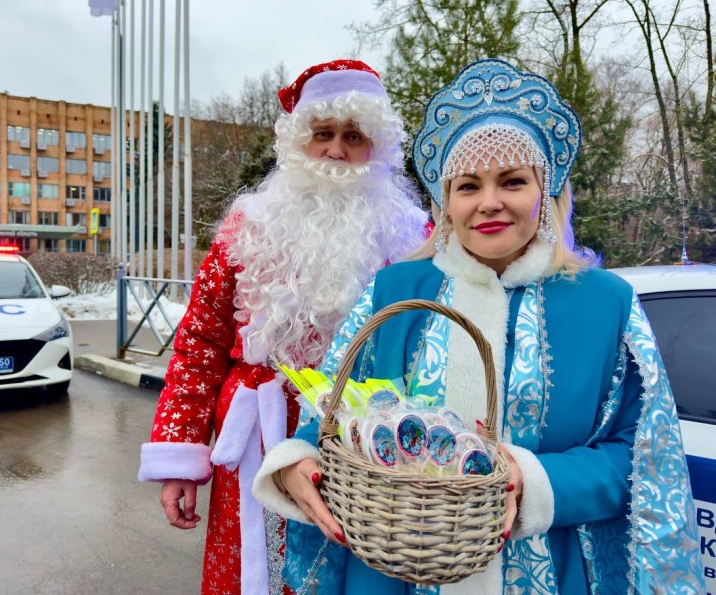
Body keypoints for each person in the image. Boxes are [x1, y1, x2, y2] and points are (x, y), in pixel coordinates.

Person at [253, 58, 704, 594]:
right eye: (468, 186)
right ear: (446, 203)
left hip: (545, 570)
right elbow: (332, 413)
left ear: (547, 190)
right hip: (392, 572)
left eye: (511, 181)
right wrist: (298, 463)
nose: (489, 202)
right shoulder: (394, 291)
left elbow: (641, 457)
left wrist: (536, 480)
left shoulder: (606, 304)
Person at [138, 60, 429, 595]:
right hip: (256, 443)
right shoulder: (247, 228)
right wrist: (179, 457)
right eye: (322, 134)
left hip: (365, 447)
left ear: (378, 148)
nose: (336, 151)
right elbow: (198, 346)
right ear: (299, 141)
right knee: (254, 574)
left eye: (353, 136)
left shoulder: (414, 238)